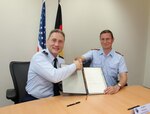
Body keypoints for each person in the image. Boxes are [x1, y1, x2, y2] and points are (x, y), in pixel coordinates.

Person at [25, 29, 82, 101]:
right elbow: (55, 77)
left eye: (60, 41)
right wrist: (75, 65)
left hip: (54, 99)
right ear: (47, 41)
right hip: (34, 100)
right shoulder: (39, 57)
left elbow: (62, 78)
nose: (57, 44)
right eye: (54, 40)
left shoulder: (61, 60)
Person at [76, 29, 128, 94]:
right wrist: (79, 60)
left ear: (113, 40)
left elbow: (124, 78)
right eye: (102, 39)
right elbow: (80, 58)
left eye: (107, 39)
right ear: (100, 40)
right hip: (93, 91)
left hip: (110, 91)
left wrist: (117, 87)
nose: (105, 41)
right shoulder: (93, 53)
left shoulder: (119, 58)